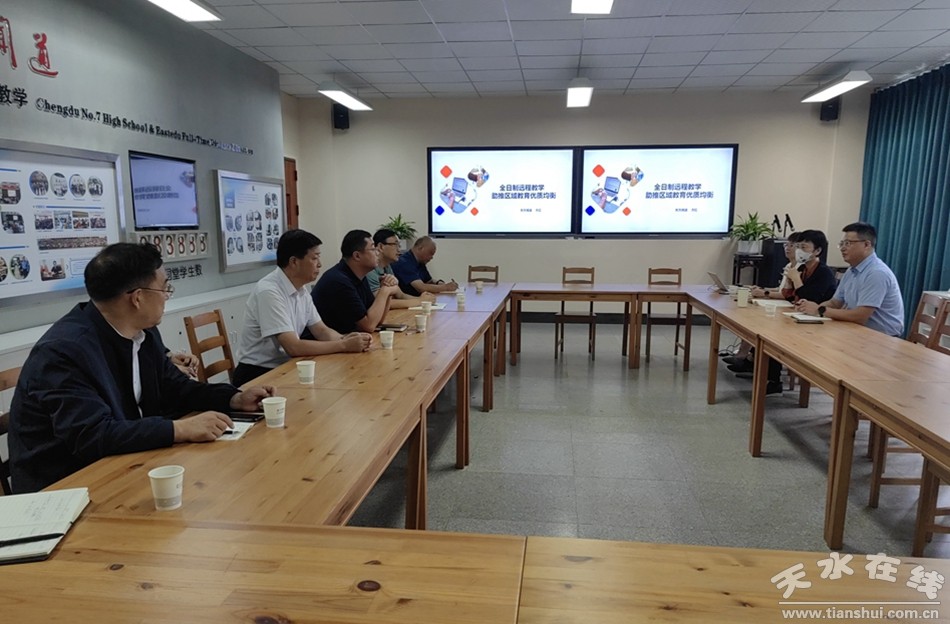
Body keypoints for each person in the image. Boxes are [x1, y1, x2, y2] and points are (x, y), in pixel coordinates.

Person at [8, 242, 274, 494]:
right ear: (137, 298)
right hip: (67, 486)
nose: (167, 297)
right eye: (164, 288)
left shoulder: (143, 332)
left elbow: (175, 387)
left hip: (126, 463)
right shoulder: (64, 352)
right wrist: (180, 429)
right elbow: (91, 435)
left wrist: (233, 398)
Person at [234, 229, 372, 387]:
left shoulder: (301, 289)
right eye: (314, 258)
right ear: (294, 262)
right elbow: (293, 346)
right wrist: (344, 346)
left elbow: (322, 331)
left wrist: (347, 339)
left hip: (286, 367)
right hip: (258, 374)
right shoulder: (269, 291)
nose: (319, 264)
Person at [795, 222, 904, 336]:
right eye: (841, 244)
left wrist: (819, 310)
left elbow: (860, 316)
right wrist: (809, 309)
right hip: (857, 331)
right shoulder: (851, 271)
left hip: (882, 337)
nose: (842, 248)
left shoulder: (877, 273)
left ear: (866, 244)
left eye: (848, 243)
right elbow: (835, 302)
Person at [310, 229, 401, 334]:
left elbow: (377, 320)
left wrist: (387, 290)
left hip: (347, 338)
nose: (377, 252)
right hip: (325, 342)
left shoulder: (360, 276)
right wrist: (385, 291)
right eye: (373, 249)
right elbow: (368, 326)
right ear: (357, 256)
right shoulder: (339, 281)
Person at [367, 229, 434, 309]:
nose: (399, 250)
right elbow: (380, 303)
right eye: (395, 245)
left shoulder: (387, 267)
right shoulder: (370, 269)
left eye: (399, 245)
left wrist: (423, 299)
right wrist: (420, 301)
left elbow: (400, 295)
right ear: (381, 247)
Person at [390, 236, 458, 296]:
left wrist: (439, 283)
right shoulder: (404, 262)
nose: (431, 257)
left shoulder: (420, 262)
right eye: (430, 253)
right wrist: (446, 287)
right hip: (406, 301)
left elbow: (429, 281)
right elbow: (421, 288)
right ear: (420, 248)